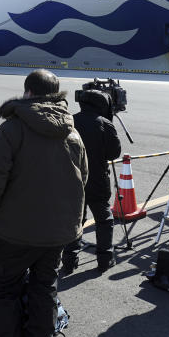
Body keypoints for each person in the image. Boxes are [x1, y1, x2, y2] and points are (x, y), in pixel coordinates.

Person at [0, 69, 88, 337]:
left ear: (27, 93)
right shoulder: (72, 132)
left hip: (15, 232)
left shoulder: (12, 129)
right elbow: (83, 180)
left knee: (4, 294)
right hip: (56, 235)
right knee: (44, 292)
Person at [61, 89, 121, 275]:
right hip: (97, 179)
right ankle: (105, 258)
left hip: (72, 179)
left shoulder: (69, 120)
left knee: (75, 220)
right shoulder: (104, 124)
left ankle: (69, 261)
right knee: (104, 219)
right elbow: (114, 153)